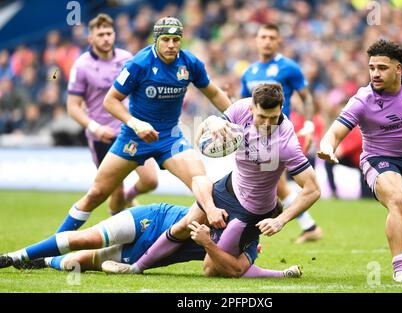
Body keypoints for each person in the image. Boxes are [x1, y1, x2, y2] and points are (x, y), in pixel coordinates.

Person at [103, 83, 321, 275]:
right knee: (184, 225)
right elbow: (201, 143)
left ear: (281, 110)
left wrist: (280, 220)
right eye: (261, 117)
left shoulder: (286, 143)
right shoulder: (240, 109)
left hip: (251, 209)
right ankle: (135, 268)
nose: (266, 124)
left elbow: (312, 189)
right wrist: (211, 121)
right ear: (251, 107)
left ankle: (279, 274)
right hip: (229, 185)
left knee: (213, 268)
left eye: (272, 118)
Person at [55, 16, 232, 233]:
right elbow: (110, 101)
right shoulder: (140, 63)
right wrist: (135, 123)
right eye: (166, 39)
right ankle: (56, 241)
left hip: (170, 137)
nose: (171, 45)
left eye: (176, 40)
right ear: (156, 39)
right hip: (133, 137)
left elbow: (213, 92)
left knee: (204, 187)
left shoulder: (190, 63)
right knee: (97, 194)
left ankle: (226, 243)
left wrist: (234, 118)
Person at [317, 39, 402, 284]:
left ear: (399, 68)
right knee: (398, 198)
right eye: (371, 67)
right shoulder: (362, 99)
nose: (375, 74)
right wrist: (327, 147)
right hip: (377, 160)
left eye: (382, 68)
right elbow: (334, 133)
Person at [0, 203, 301, 278]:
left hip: (155, 254)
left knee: (76, 264)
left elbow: (225, 270)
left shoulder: (249, 243)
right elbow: (178, 231)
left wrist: (208, 244)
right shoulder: (219, 204)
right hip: (152, 219)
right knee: (84, 239)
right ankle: (15, 256)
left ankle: (43, 261)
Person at [67, 13, 157, 215]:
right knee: (115, 192)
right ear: (91, 38)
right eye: (100, 34)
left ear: (114, 34)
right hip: (103, 136)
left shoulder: (127, 58)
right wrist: (95, 128)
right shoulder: (82, 66)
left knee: (151, 180)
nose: (105, 38)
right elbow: (73, 106)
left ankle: (128, 198)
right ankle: (119, 238)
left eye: (109, 33)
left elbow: (140, 91)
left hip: (131, 129)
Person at [241, 24, 322, 243]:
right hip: (256, 138)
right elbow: (242, 105)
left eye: (271, 37)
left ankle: (308, 226)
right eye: (263, 36)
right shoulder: (249, 72)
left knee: (278, 184)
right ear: (256, 40)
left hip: (279, 135)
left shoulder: (289, 67)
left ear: (278, 42)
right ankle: (308, 226)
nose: (267, 41)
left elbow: (306, 97)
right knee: (276, 185)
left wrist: (308, 124)